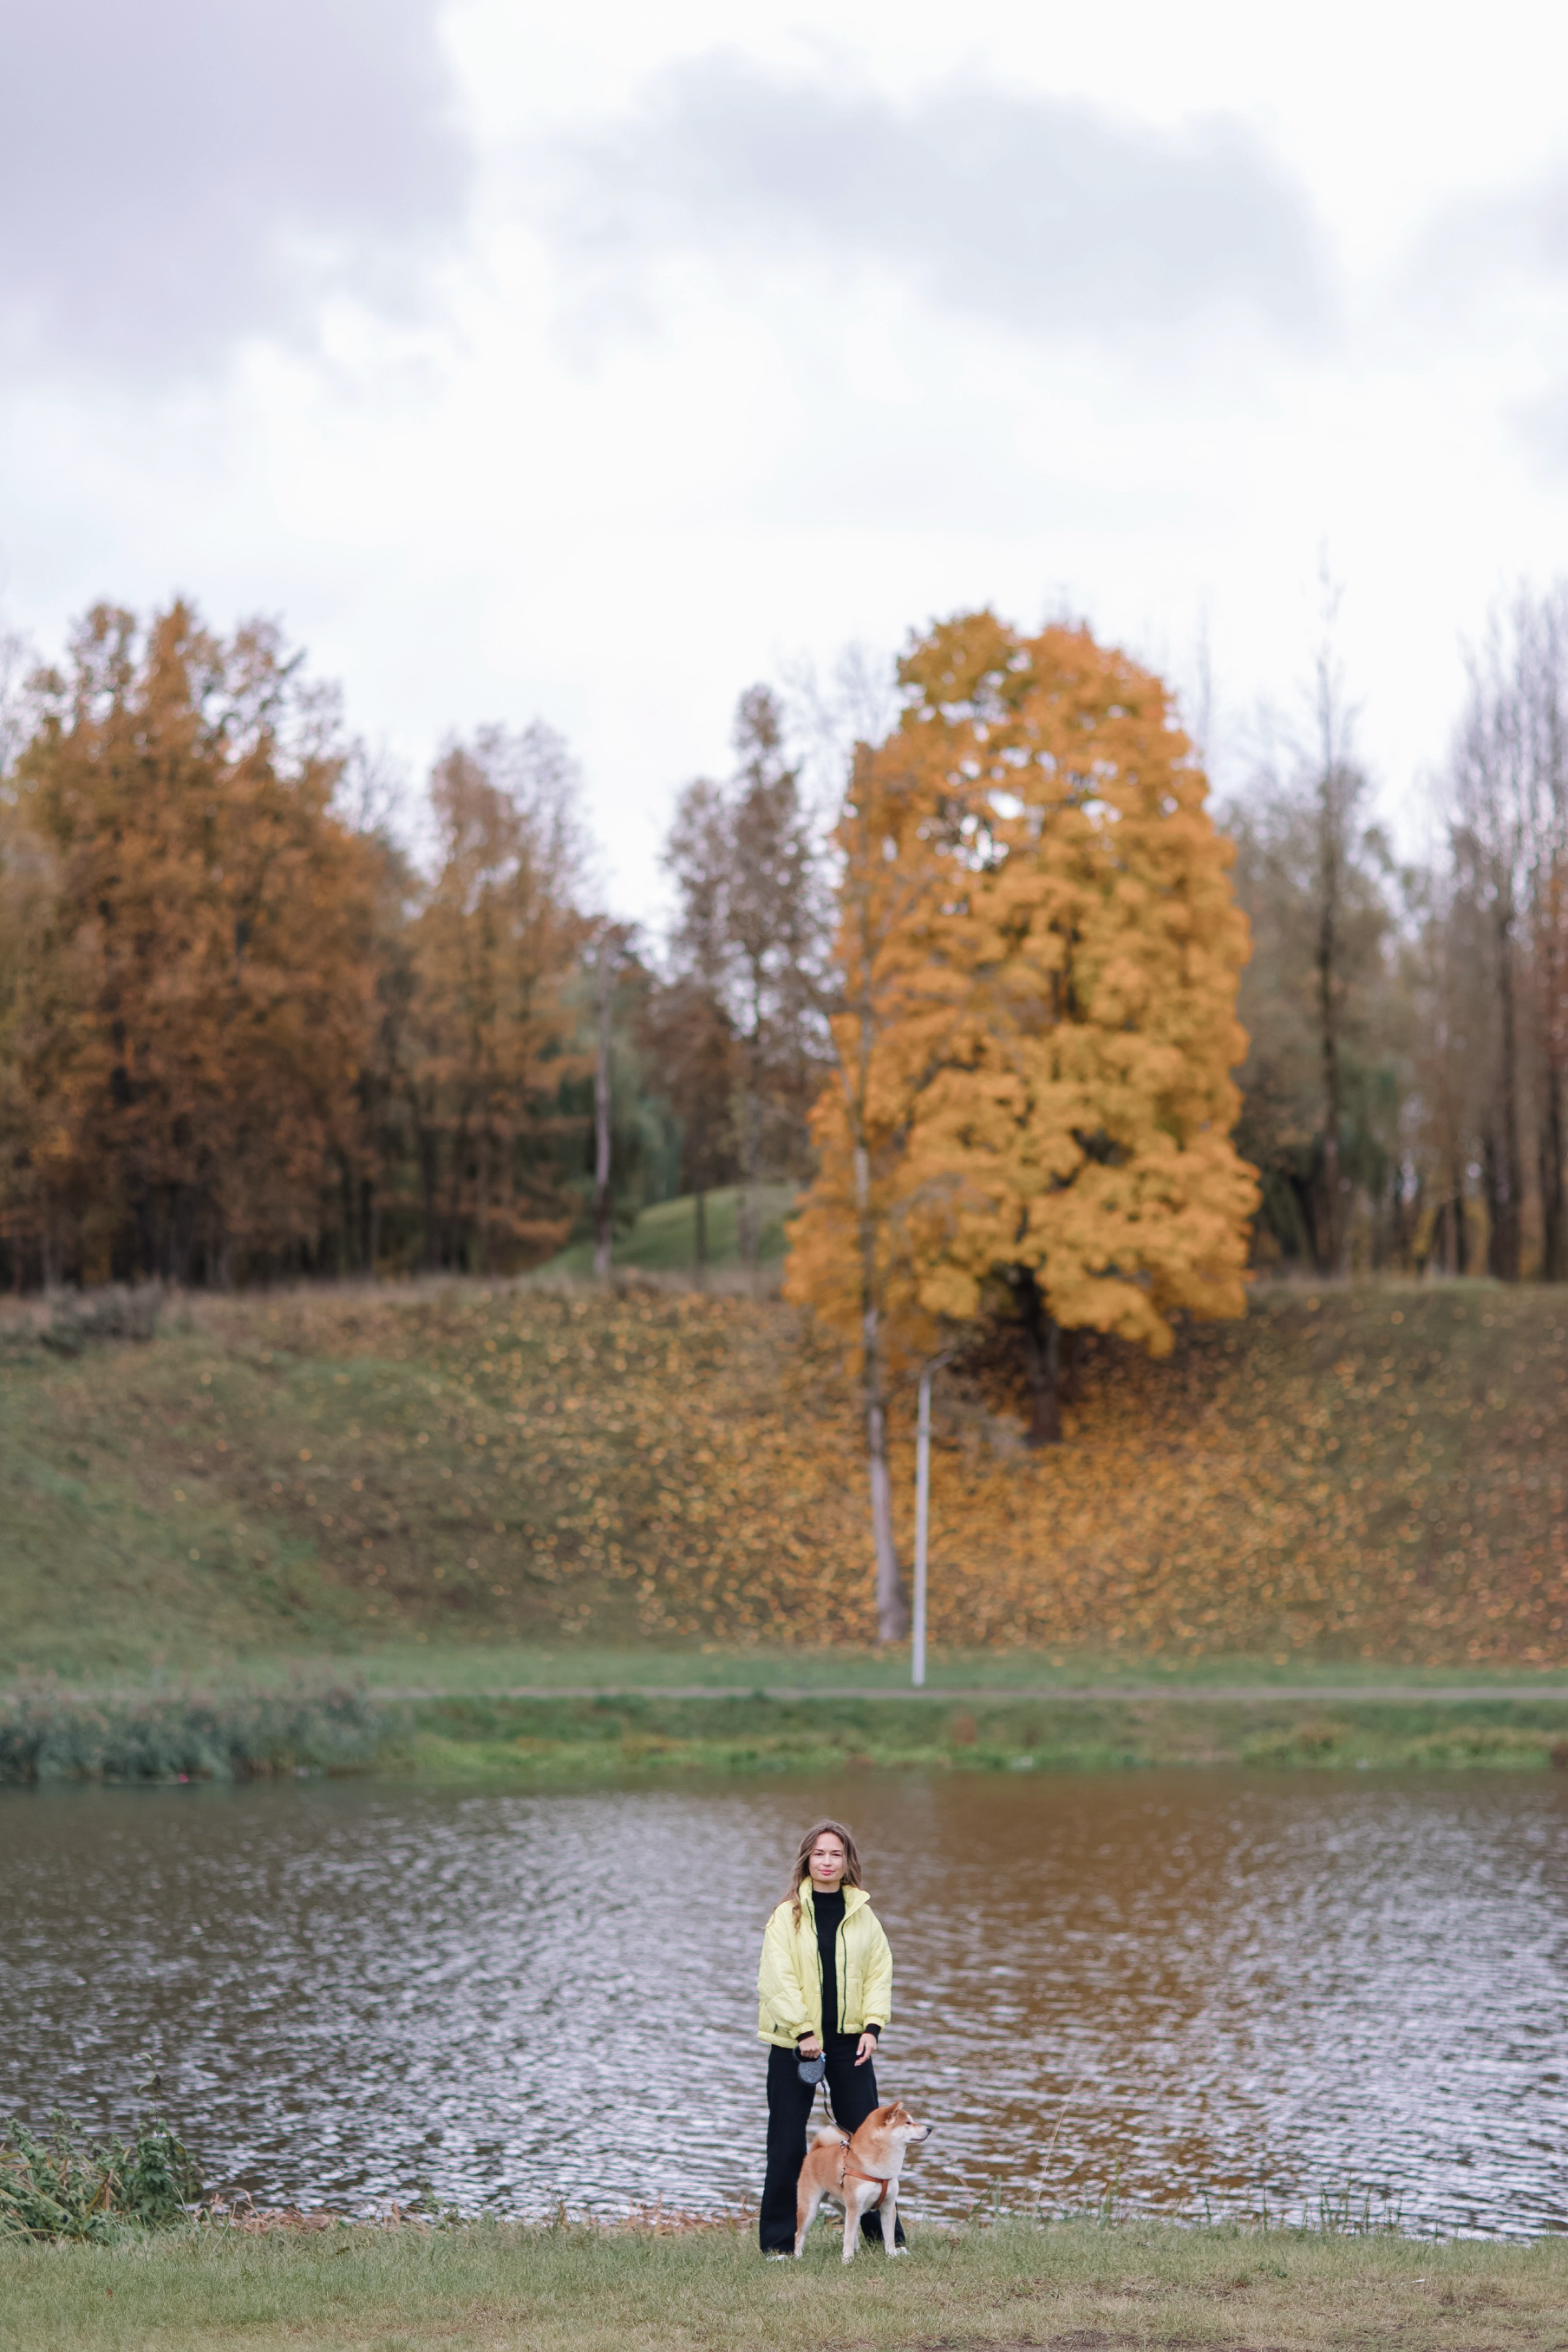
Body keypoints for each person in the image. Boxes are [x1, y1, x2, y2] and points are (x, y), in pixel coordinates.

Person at [755, 1815, 905, 2256]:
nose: (827, 1861)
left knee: (871, 2144)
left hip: (850, 2045)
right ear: (807, 1860)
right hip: (794, 2045)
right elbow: (775, 1979)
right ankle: (780, 2245)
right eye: (819, 1853)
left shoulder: (864, 1915)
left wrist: (873, 2027)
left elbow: (880, 1971)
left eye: (835, 1854)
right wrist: (803, 2032)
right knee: (785, 2145)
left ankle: (886, 2241)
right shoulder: (786, 1917)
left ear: (847, 1861)